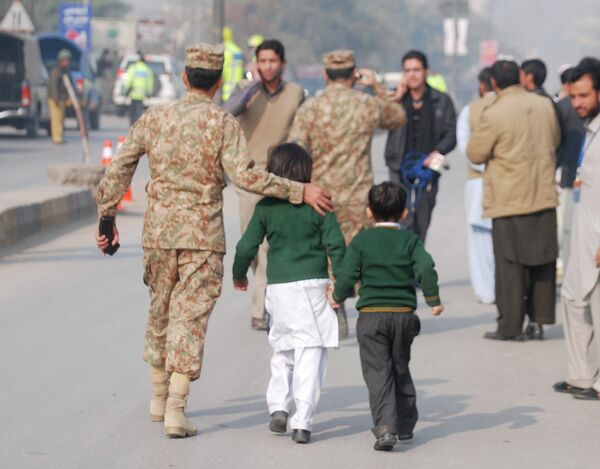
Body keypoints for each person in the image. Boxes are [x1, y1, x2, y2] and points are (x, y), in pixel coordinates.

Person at [95, 44, 332, 439]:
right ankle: (176, 409)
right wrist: (298, 190)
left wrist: (107, 219)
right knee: (189, 317)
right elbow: (247, 177)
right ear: (219, 81)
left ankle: (157, 398)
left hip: (158, 234)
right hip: (203, 237)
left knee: (160, 309)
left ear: (185, 78)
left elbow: (120, 166)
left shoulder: (154, 117)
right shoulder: (222, 123)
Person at [288, 49, 406, 339]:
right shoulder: (367, 104)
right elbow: (398, 117)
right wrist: (377, 87)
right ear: (354, 75)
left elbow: (295, 148)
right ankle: (369, 312)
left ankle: (334, 305)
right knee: (362, 254)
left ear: (326, 75)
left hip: (322, 196)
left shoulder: (311, 109)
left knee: (329, 254)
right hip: (359, 196)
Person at [232, 143, 345, 443]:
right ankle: (303, 421)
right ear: (306, 172)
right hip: (313, 288)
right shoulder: (318, 204)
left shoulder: (266, 208)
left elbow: (246, 246)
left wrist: (238, 274)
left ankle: (278, 406)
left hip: (278, 290)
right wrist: (343, 286)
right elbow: (337, 246)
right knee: (311, 350)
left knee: (282, 347)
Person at [331, 182, 443, 451]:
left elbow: (347, 275)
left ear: (369, 212)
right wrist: (433, 299)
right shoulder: (410, 240)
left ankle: (386, 428)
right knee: (399, 366)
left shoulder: (362, 241)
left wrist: (337, 296)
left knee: (378, 372)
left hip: (371, 318)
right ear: (404, 212)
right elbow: (426, 266)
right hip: (404, 317)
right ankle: (405, 424)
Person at [467, 60, 560, 341]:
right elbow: (555, 139)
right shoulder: (544, 105)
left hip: (509, 198)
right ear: (520, 77)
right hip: (542, 194)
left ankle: (509, 326)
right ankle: (539, 321)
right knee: (543, 261)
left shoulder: (493, 112)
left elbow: (475, 153)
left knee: (510, 265)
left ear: (494, 83)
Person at [225, 39, 304, 331]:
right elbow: (226, 112)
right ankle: (264, 292)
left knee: (270, 246)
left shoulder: (296, 93)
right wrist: (252, 86)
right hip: (248, 178)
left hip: (281, 177)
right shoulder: (245, 91)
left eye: (273, 61)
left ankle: (260, 309)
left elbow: (302, 132)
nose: (268, 66)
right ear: (257, 63)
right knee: (252, 243)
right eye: (263, 61)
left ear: (282, 63)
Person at [554, 58, 600, 401]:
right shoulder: (590, 129)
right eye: (574, 96)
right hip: (585, 226)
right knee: (572, 296)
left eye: (584, 95)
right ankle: (582, 375)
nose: (577, 102)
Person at [384, 50, 457, 241]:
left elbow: (451, 134)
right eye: (407, 70)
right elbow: (381, 119)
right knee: (402, 218)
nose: (412, 75)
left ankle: (416, 260)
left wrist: (438, 151)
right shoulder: (396, 99)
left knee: (422, 219)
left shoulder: (441, 100)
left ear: (426, 71)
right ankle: (403, 265)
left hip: (427, 169)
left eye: (416, 70)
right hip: (399, 167)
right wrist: (397, 98)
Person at [456, 67, 495, 304]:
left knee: (479, 240)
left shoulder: (470, 110)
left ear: (482, 86)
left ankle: (486, 290)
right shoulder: (510, 109)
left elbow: (466, 148)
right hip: (505, 181)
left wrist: (483, 166)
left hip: (477, 182)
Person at [555, 66, 585, 271]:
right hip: (570, 175)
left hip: (569, 175)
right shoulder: (565, 107)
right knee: (568, 226)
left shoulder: (562, 106)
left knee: (566, 225)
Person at [48, 49, 71, 144]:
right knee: (56, 119)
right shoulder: (56, 71)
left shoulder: (65, 71)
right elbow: (53, 85)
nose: (67, 62)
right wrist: (56, 99)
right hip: (55, 99)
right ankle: (56, 137)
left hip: (62, 99)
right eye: (66, 60)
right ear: (61, 60)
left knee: (61, 118)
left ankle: (60, 135)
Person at [124, 51, 154, 125]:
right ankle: (137, 123)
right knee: (139, 110)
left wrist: (126, 90)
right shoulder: (147, 69)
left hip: (133, 93)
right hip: (142, 94)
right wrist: (149, 93)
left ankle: (132, 123)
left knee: (132, 110)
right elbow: (150, 82)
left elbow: (129, 80)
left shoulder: (134, 68)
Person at [222, 27, 245, 102]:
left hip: (227, 90)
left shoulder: (225, 50)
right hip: (239, 87)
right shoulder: (237, 50)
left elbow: (222, 70)